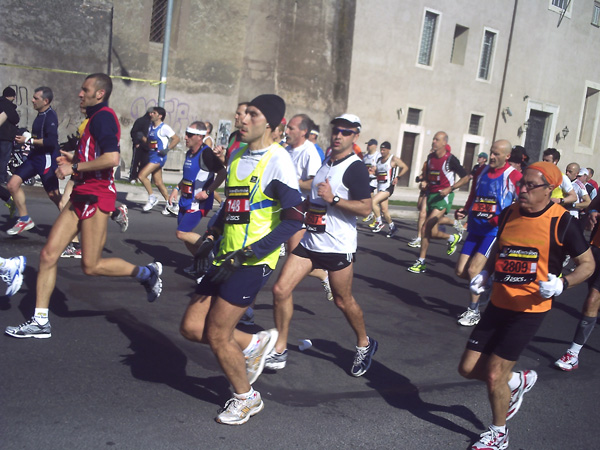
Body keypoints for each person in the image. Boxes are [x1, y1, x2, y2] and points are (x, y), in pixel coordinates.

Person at [5, 73, 163, 339]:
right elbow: (95, 153)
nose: (80, 94)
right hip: (81, 194)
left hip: (97, 197)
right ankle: (40, 321)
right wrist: (73, 156)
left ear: (99, 93)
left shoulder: (103, 117)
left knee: (91, 266)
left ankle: (146, 273)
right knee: (48, 254)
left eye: (85, 89)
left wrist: (74, 166)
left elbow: (112, 158)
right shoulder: (92, 120)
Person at [179, 94, 304, 425]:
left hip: (252, 262)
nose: (242, 118)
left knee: (219, 334)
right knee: (192, 327)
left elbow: (295, 219)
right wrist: (210, 236)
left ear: (270, 124)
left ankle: (246, 398)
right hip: (225, 256)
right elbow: (231, 208)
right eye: (243, 112)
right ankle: (254, 342)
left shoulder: (278, 161)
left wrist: (255, 252)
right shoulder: (238, 157)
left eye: (253, 113)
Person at [458, 161, 594, 450]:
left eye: (531, 186)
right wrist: (486, 273)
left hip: (530, 310)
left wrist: (563, 284)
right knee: (468, 368)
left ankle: (498, 433)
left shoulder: (563, 221)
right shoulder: (509, 213)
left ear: (549, 190)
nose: (523, 189)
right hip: (498, 303)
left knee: (494, 374)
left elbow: (587, 264)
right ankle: (517, 381)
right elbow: (501, 248)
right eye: (522, 184)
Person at [266, 113, 378, 377]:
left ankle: (364, 342)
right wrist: (300, 209)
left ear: (355, 136)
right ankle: (280, 349)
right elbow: (316, 200)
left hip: (338, 246)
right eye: (336, 130)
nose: (339, 135)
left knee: (342, 300)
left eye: (346, 132)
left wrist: (335, 198)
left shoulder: (355, 167)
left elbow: (365, 208)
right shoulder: (327, 161)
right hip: (310, 241)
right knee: (281, 289)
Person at [454, 140, 521, 327]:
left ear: (507, 156)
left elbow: (521, 202)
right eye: (491, 152)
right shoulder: (481, 171)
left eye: (497, 154)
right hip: (475, 227)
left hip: (493, 231)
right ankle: (488, 285)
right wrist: (464, 211)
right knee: (460, 271)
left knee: (473, 271)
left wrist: (504, 220)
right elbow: (473, 196)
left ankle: (473, 311)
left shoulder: (513, 176)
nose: (492, 156)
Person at [283, 113, 332, 303]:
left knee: (294, 256)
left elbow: (313, 183)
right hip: (281, 208)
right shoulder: (286, 151)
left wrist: (291, 183)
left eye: (291, 128)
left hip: (300, 209)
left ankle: (324, 275)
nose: (287, 132)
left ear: (303, 132)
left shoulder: (309, 151)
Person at [408, 132, 469, 273]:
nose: (433, 141)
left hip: (444, 197)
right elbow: (428, 176)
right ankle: (451, 238)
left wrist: (450, 188)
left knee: (425, 227)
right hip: (431, 195)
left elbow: (466, 177)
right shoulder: (430, 158)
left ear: (444, 143)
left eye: (437, 139)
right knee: (432, 232)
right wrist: (424, 182)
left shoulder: (450, 160)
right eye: (433, 139)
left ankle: (421, 262)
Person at [167, 121, 226, 267]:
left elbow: (222, 173)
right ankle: (202, 265)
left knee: (181, 233)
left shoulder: (206, 153)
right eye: (186, 134)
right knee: (186, 237)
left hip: (199, 203)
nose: (185, 137)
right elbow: (188, 176)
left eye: (189, 135)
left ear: (200, 137)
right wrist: (176, 188)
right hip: (185, 200)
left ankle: (211, 250)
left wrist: (208, 191)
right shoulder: (189, 153)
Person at [555, 194, 600, 371]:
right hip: (597, 250)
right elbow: (592, 205)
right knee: (593, 304)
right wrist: (594, 212)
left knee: (592, 300)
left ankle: (573, 354)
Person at [8, 86, 62, 235]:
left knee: (54, 196)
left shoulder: (50, 116)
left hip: (46, 159)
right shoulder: (40, 115)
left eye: (35, 98)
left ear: (45, 101)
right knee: (12, 185)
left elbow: (51, 142)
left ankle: (72, 231)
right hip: (34, 158)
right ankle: (24, 219)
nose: (32, 100)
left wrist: (28, 140)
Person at [139, 106, 180, 213]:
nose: (151, 114)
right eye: (151, 113)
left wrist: (167, 149)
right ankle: (170, 204)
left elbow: (176, 138)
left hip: (159, 157)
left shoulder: (164, 127)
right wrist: (142, 138)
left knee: (141, 176)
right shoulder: (150, 127)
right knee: (158, 182)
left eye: (154, 113)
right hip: (152, 156)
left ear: (160, 116)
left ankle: (152, 197)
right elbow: (149, 143)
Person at [370, 141, 408, 237]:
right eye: (381, 150)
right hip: (380, 187)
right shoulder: (379, 160)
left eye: (384, 150)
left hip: (388, 187)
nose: (382, 152)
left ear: (388, 150)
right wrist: (373, 172)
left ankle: (379, 222)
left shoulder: (393, 159)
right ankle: (392, 227)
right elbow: (378, 173)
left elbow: (405, 167)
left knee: (373, 201)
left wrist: (397, 177)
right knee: (384, 210)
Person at [0, 86, 20, 184]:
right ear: (12, 96)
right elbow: (15, 119)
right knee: (4, 158)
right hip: (5, 137)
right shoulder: (8, 106)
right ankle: (2, 177)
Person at [129, 108, 152, 183]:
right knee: (135, 161)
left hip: (147, 146)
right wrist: (136, 142)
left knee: (145, 162)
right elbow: (134, 132)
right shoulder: (141, 121)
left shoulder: (152, 123)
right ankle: (132, 177)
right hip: (139, 144)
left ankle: (139, 176)